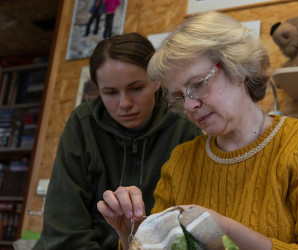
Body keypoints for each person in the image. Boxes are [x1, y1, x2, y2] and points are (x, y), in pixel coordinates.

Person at [97, 11, 298, 249]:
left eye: (197, 84)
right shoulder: (181, 161)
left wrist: (223, 229)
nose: (189, 105)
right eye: (179, 96)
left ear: (238, 68)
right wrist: (129, 232)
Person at [33, 33, 202, 250]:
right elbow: (65, 227)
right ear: (97, 90)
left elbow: (185, 225)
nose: (125, 103)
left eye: (136, 88)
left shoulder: (184, 130)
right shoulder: (82, 125)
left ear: (156, 81)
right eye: (110, 92)